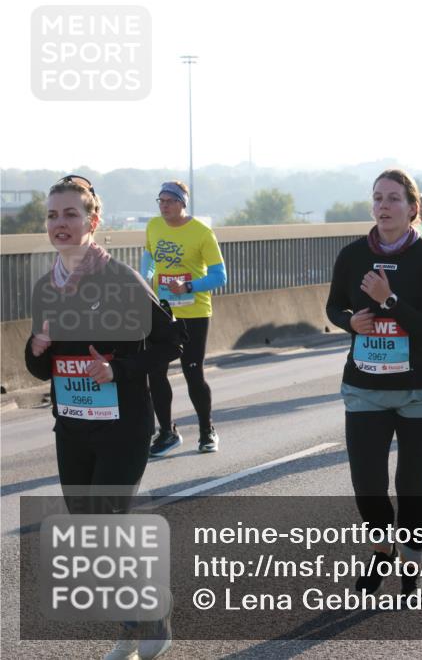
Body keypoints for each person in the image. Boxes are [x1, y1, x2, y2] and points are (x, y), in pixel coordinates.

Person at [26, 176, 183, 660]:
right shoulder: (44, 287)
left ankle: (146, 623)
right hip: (72, 428)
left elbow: (170, 342)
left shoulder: (119, 280)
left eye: (71, 214)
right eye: (53, 215)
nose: (60, 224)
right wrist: (37, 347)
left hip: (123, 428)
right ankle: (133, 621)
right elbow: (38, 368)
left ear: (93, 222)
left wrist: (116, 368)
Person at [325, 169, 422, 600]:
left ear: (413, 208)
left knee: (411, 485)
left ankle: (412, 569)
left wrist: (388, 301)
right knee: (368, 485)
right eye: (378, 198)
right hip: (365, 386)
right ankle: (382, 552)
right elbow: (334, 306)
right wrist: (349, 321)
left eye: (394, 198)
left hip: (420, 388)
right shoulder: (352, 255)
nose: (384, 206)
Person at [143, 181, 227, 456]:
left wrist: (189, 286)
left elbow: (219, 276)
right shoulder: (154, 226)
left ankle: (207, 431)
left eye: (169, 200)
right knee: (154, 372)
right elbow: (150, 258)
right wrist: (144, 280)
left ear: (182, 203)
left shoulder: (202, 233)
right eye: (160, 200)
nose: (163, 205)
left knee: (193, 373)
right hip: (163, 312)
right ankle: (167, 432)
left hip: (194, 312)